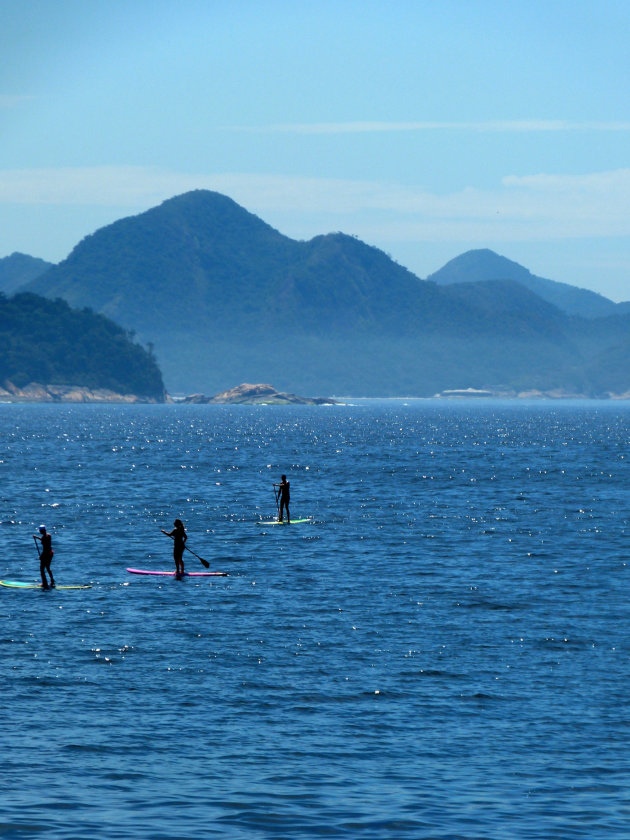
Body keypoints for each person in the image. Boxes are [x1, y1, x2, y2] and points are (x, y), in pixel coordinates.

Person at [34, 524, 55, 589]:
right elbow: (43, 540)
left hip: (46, 554)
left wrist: (41, 556)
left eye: (40, 531)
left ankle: (44, 583)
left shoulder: (44, 537)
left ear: (42, 531)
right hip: (50, 553)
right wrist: (37, 537)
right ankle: (52, 581)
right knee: (48, 567)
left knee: (42, 569)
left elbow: (45, 548)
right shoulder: (49, 535)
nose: (40, 532)